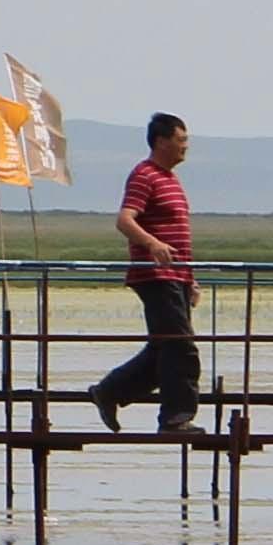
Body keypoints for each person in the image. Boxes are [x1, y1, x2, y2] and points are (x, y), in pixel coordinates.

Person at [84, 114, 200, 435]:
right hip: (155, 275)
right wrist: (153, 244)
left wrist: (190, 279)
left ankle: (109, 391)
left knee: (163, 348)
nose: (185, 146)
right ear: (161, 141)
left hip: (176, 275)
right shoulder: (144, 175)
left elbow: (178, 234)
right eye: (181, 139)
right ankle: (176, 418)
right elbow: (125, 220)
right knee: (180, 346)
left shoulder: (170, 179)